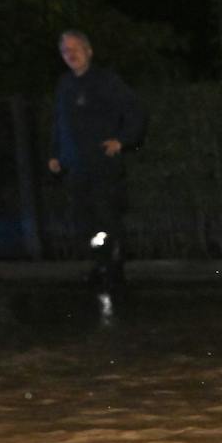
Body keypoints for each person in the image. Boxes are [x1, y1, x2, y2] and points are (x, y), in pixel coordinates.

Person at [48, 30, 146, 294]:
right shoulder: (64, 85)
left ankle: (114, 269)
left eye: (75, 48)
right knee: (85, 222)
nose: (71, 54)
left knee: (107, 219)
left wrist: (123, 140)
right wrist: (55, 153)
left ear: (88, 51)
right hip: (75, 168)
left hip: (103, 166)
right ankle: (99, 264)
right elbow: (59, 123)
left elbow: (134, 110)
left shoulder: (106, 81)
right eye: (65, 50)